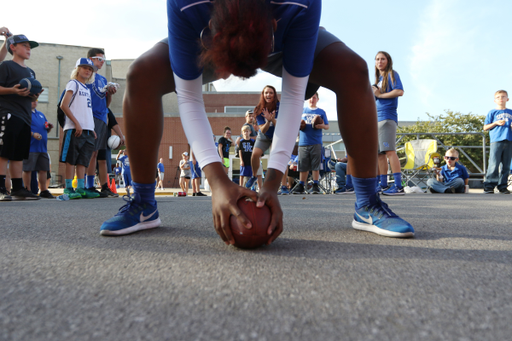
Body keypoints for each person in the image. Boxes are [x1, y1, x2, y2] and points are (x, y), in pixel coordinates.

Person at [100, 0, 414, 240]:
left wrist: (273, 183)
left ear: (274, 22)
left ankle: (368, 203)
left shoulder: (299, 5)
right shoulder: (186, 5)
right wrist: (218, 182)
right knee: (140, 75)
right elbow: (190, 98)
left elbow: (292, 96)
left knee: (353, 69)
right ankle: (143, 202)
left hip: (287, 38)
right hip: (209, 43)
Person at [0, 34, 42, 201]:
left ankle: (18, 189)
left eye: (29, 46)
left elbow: (30, 97)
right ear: (13, 47)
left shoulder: (30, 71)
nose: (28, 49)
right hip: (8, 113)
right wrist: (13, 90)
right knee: (3, 153)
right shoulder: (6, 66)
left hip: (25, 117)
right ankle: (1, 188)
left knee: (18, 155)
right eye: (24, 45)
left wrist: (35, 95)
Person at [59, 58, 99, 199]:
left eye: (90, 69)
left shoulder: (86, 88)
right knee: (71, 159)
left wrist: (91, 127)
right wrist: (76, 123)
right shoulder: (73, 84)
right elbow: (64, 105)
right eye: (84, 68)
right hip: (74, 128)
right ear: (77, 69)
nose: (87, 71)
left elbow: (86, 110)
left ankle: (81, 188)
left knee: (83, 160)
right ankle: (69, 187)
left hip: (87, 129)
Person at [85, 48, 118, 198]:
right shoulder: (85, 76)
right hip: (89, 117)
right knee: (92, 153)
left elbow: (106, 103)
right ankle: (89, 185)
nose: (102, 62)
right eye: (99, 59)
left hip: (101, 118)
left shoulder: (103, 79)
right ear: (90, 59)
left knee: (102, 155)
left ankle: (104, 187)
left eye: (103, 59)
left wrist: (109, 94)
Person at [373, 51, 405, 196]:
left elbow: (399, 91)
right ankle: (383, 185)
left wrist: (379, 95)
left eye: (383, 59)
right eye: (377, 59)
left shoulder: (392, 74)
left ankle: (398, 186)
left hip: (387, 117)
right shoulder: (378, 79)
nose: (380, 62)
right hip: (377, 119)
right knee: (380, 154)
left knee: (390, 151)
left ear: (388, 61)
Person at [291, 92, 329, 195]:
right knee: (303, 165)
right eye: (310, 98)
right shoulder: (302, 110)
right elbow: (294, 123)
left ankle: (315, 185)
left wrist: (320, 125)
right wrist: (299, 124)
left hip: (316, 141)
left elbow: (327, 126)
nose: (312, 99)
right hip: (303, 142)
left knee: (315, 165)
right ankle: (301, 185)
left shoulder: (321, 112)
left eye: (314, 97)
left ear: (317, 99)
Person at [245, 85, 279, 190]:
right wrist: (268, 121)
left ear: (274, 95)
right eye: (266, 93)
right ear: (263, 95)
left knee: (276, 157)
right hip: (264, 135)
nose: (268, 95)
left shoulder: (280, 107)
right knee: (255, 155)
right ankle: (254, 176)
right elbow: (262, 130)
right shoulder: (259, 109)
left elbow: (280, 126)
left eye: (271, 93)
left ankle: (279, 184)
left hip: (277, 135)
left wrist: (272, 119)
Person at [22, 100, 55, 198]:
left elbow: (44, 128)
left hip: (42, 148)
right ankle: (27, 189)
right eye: (32, 100)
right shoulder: (25, 113)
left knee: (43, 169)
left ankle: (44, 190)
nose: (34, 102)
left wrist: (48, 128)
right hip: (31, 147)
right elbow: (22, 128)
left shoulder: (40, 114)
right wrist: (32, 134)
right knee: (28, 169)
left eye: (36, 100)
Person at [482, 90, 512, 194]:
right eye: (498, 97)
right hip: (496, 140)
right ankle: (489, 186)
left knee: (506, 165)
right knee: (493, 164)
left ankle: (502, 186)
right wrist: (495, 123)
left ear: (507, 99)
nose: (501, 99)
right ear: (495, 100)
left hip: (509, 140)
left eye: (503, 97)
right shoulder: (492, 112)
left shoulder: (511, 112)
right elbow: (485, 127)